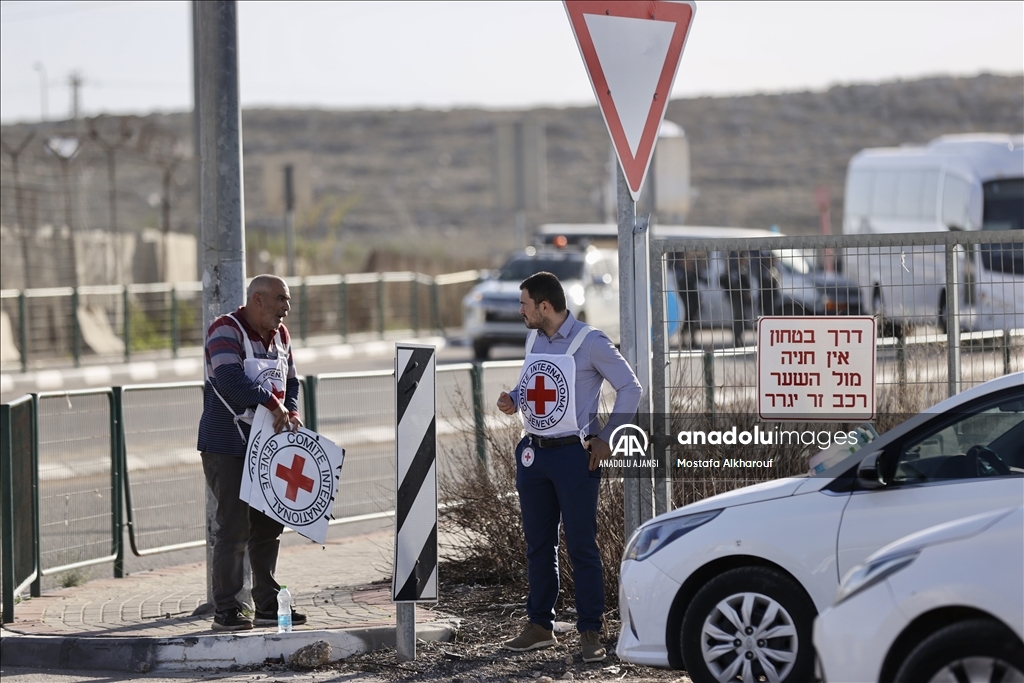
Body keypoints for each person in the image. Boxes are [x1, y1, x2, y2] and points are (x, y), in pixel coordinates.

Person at [496, 271, 641, 663]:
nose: (520, 311)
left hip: (575, 456)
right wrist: (513, 398)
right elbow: (534, 385)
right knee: (539, 545)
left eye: (524, 303)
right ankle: (540, 626)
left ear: (545, 306)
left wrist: (609, 437)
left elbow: (631, 387)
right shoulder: (534, 338)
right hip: (534, 455)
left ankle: (591, 631)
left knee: (581, 546)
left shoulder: (591, 342)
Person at [197, 274, 306, 632]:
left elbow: (291, 380)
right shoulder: (225, 330)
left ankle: (267, 605)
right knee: (234, 527)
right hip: (227, 444)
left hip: (268, 446)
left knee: (268, 525)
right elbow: (228, 379)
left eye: (287, 302)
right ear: (257, 299)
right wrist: (271, 403)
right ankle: (226, 609)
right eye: (280, 300)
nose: (286, 309)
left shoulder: (282, 337)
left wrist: (289, 409)